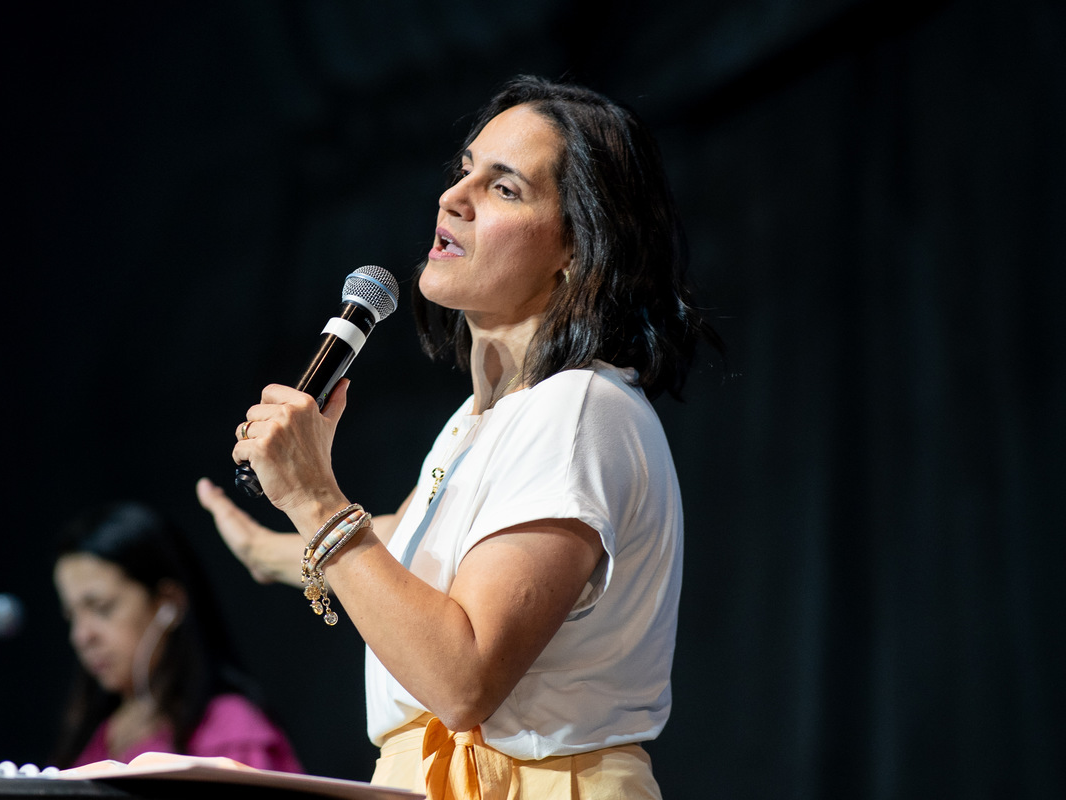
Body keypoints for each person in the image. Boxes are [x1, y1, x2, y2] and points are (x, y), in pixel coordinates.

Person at [196, 74, 722, 798]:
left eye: (505, 189)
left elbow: (463, 677)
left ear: (579, 246)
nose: (454, 197)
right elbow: (410, 539)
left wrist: (315, 499)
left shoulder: (577, 410)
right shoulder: (481, 423)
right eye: (464, 170)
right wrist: (270, 549)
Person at [50, 501, 303, 773]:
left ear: (167, 601)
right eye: (72, 617)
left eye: (102, 608)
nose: (81, 636)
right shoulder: (96, 737)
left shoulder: (229, 731)